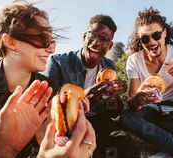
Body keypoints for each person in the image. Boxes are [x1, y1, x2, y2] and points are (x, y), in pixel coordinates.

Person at [0, 0, 96, 157]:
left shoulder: (49, 89)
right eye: (42, 38)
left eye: (52, 41)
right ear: (11, 42)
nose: (51, 48)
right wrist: (3, 149)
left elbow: (55, 146)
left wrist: (67, 129)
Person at [45, 14, 126, 157]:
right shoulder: (58, 62)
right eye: (93, 35)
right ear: (84, 37)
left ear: (110, 45)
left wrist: (114, 97)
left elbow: (114, 112)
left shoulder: (109, 67)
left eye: (103, 39)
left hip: (98, 120)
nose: (96, 42)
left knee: (124, 143)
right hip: (68, 123)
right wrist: (85, 97)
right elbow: (48, 107)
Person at [119, 6, 173, 155]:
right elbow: (132, 102)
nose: (151, 42)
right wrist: (138, 100)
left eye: (156, 35)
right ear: (140, 40)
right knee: (126, 118)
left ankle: (155, 133)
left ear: (164, 32)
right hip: (148, 108)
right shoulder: (134, 60)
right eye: (145, 38)